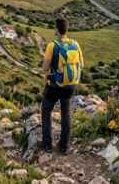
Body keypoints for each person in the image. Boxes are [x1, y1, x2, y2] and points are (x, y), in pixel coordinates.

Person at [38, 18, 84, 155]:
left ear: (56, 30)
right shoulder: (75, 44)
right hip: (71, 86)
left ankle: (47, 143)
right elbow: (82, 65)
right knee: (66, 113)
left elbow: (45, 68)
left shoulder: (53, 45)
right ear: (67, 30)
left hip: (55, 85)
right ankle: (64, 146)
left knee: (46, 110)